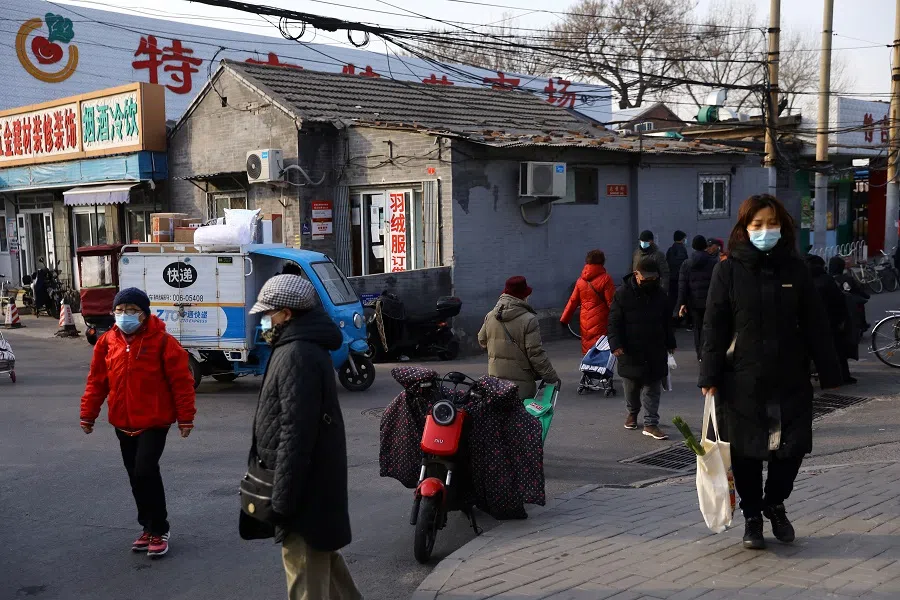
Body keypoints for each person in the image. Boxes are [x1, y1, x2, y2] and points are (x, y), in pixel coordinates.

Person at [699, 194, 840, 551]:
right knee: (746, 453)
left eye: (771, 224)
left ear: (783, 226)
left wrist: (830, 371)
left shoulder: (796, 269)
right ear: (744, 229)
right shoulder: (727, 270)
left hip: (791, 378)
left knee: (791, 449)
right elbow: (714, 326)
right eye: (757, 225)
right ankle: (751, 518)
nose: (765, 231)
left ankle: (774, 503)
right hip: (741, 379)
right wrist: (709, 376)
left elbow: (815, 323)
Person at [249, 275, 361, 600]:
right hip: (311, 486)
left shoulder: (297, 353)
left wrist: (283, 498)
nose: (265, 320)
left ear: (287, 312)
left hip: (304, 490)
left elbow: (297, 434)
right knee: (322, 560)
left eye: (269, 313)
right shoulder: (298, 347)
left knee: (304, 570)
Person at [80, 287, 196, 559]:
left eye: (131, 311)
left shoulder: (164, 342)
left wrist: (185, 418)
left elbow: (182, 383)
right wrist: (88, 414)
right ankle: (147, 526)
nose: (124, 315)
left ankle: (160, 529)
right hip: (122, 421)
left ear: (144, 314)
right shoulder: (107, 342)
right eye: (119, 311)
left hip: (155, 420)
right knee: (134, 475)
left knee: (145, 471)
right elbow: (97, 382)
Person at [608, 257, 676, 441]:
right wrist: (615, 344)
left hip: (655, 348)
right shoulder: (622, 294)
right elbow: (614, 322)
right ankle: (632, 412)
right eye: (645, 279)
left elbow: (666, 323)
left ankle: (651, 423)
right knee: (631, 386)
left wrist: (671, 343)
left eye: (652, 279)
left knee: (653, 386)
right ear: (636, 274)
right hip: (630, 350)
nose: (649, 282)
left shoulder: (661, 295)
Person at [478, 276, 559, 400]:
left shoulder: (491, 316)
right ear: (523, 296)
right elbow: (535, 353)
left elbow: (482, 340)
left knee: (500, 417)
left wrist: (498, 352)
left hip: (495, 382)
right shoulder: (529, 320)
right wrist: (550, 376)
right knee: (520, 417)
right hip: (521, 384)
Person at [807, 255, 857, 384]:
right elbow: (839, 301)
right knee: (837, 351)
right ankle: (839, 377)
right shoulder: (827, 280)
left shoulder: (804, 280)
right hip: (831, 322)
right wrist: (841, 321)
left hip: (810, 322)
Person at [561, 250, 616, 355]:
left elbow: (573, 301)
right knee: (600, 352)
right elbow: (611, 303)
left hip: (585, 320)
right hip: (600, 321)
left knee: (588, 351)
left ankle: (588, 368)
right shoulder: (606, 279)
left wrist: (564, 319)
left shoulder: (580, 280)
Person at [677, 235, 719, 361]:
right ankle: (708, 351)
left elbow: (682, 285)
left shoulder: (687, 263)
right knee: (710, 326)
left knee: (697, 328)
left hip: (693, 302)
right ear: (705, 246)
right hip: (710, 301)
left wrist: (681, 303)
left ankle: (699, 354)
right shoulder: (713, 262)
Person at [829, 255, 870, 332]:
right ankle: (863, 323)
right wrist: (866, 295)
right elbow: (857, 289)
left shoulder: (827, 279)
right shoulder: (847, 278)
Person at [666, 230, 689, 319]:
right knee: (680, 298)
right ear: (682, 239)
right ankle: (678, 317)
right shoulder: (682, 250)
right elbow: (684, 264)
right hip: (680, 278)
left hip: (671, 278)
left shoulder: (670, 249)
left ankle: (671, 317)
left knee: (672, 298)